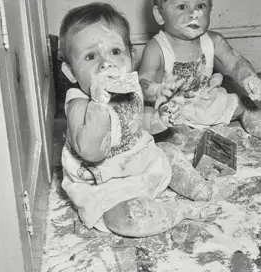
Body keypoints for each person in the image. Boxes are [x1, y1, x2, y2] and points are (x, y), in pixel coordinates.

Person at [58, 2, 221, 237]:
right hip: (105, 183)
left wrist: (159, 118)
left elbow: (136, 121)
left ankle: (200, 188)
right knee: (126, 220)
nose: (106, 63)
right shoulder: (78, 105)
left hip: (137, 161)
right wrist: (99, 105)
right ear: (72, 72)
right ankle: (179, 210)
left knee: (169, 153)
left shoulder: (129, 87)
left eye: (115, 52)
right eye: (91, 56)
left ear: (131, 57)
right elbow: (92, 152)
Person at [138, 0, 261, 150]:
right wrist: (155, 90)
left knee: (244, 104)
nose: (194, 14)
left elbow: (235, 62)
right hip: (174, 109)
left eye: (200, 5)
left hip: (206, 99)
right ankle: (198, 143)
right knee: (176, 136)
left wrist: (249, 78)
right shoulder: (156, 49)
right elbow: (143, 82)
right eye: (182, 6)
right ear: (159, 14)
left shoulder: (213, 40)